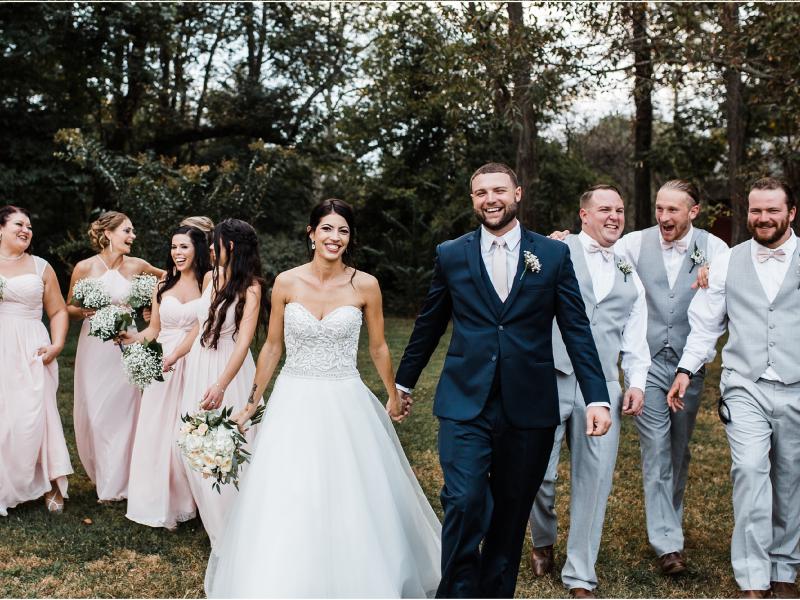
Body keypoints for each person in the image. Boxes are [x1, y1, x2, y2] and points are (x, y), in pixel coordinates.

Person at [205, 199, 441, 598]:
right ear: (311, 233)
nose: (335, 237)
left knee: (353, 490)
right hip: (294, 398)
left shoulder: (365, 285)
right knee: (291, 487)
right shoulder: (286, 282)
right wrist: (251, 402)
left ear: (350, 238)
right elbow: (272, 347)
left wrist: (393, 394)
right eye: (327, 229)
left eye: (343, 230)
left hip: (345, 398)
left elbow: (379, 347)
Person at [395, 163, 611, 598]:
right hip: (464, 401)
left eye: (498, 190)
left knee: (511, 515)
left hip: (529, 405)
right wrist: (403, 384)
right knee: (463, 500)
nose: (490, 200)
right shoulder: (451, 254)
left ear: (517, 194)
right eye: (480, 193)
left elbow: (576, 329)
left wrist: (597, 397)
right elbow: (429, 324)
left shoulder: (552, 255)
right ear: (472, 200)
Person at [668, 177, 800, 599]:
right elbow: (706, 324)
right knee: (749, 472)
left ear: (791, 213)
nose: (763, 218)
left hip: (797, 385)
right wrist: (686, 370)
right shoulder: (727, 262)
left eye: (772, 210)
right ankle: (753, 578)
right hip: (745, 385)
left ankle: (784, 568)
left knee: (791, 479)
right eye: (756, 210)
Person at [527, 185, 650, 598]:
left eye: (620, 210)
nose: (614, 216)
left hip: (603, 386)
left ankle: (580, 573)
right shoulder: (555, 251)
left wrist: (636, 381)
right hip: (552, 375)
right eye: (604, 209)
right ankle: (543, 537)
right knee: (538, 472)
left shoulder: (628, 268)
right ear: (583, 215)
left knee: (594, 480)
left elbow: (635, 331)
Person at [611, 180, 728, 574]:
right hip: (646, 363)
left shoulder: (716, 249)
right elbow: (597, 255)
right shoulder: (633, 244)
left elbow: (726, 296)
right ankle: (667, 544)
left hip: (689, 367)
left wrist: (716, 274)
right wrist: (565, 241)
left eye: (672, 210)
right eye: (659, 208)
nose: (663, 216)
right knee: (656, 447)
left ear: (693, 212)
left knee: (678, 447)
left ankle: (669, 522)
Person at [164, 218, 267, 548]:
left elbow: (243, 342)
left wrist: (222, 384)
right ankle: (215, 520)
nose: (209, 247)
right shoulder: (211, 277)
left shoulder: (251, 287)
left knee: (231, 446)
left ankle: (237, 526)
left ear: (230, 246)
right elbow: (200, 324)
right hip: (199, 364)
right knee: (194, 444)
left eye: (215, 241)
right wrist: (176, 354)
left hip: (229, 369)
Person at [67, 211, 163, 502]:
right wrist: (83, 310)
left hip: (127, 341)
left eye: (133, 231)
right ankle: (104, 473)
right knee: (97, 413)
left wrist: (153, 307)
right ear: (108, 234)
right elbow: (68, 307)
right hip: (94, 346)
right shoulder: (85, 267)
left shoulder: (138, 265)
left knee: (125, 412)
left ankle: (120, 483)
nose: (133, 236)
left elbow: (171, 280)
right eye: (127, 231)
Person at [124, 225, 211, 529]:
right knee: (157, 429)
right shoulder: (163, 283)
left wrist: (179, 354)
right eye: (174, 247)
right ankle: (161, 501)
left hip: (197, 358)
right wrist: (131, 339)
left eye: (184, 246)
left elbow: (206, 325)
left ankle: (196, 502)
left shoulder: (209, 281)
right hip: (164, 364)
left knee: (190, 427)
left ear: (198, 249)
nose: (177, 252)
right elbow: (154, 329)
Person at [0, 205, 73, 515]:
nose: (26, 230)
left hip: (32, 348)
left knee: (36, 415)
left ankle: (51, 481)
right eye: (19, 224)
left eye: (29, 226)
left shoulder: (41, 266)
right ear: (0, 229)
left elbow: (57, 311)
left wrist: (57, 344)